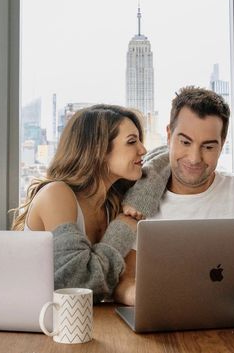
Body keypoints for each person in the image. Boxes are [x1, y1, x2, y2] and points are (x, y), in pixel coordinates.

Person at [116, 86, 234, 305]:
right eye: (185, 142)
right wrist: (148, 298)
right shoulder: (139, 200)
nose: (194, 158)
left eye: (208, 146)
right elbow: (125, 280)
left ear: (222, 145)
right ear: (169, 136)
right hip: (163, 317)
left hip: (233, 319)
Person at [11, 104, 149, 303]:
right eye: (131, 142)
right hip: (35, 324)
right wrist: (121, 231)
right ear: (99, 150)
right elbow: (78, 285)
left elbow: (162, 162)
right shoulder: (56, 195)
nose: (142, 150)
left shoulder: (113, 202)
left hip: (84, 324)